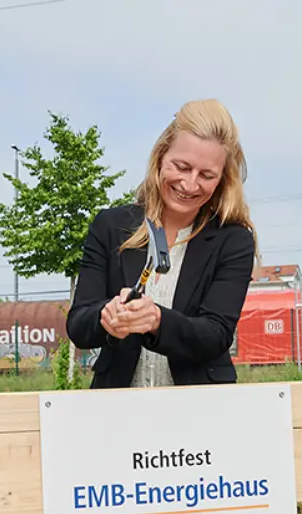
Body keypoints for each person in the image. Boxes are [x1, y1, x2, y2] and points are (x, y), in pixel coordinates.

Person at [65, 98, 257, 388]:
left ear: (222, 180)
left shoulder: (234, 240)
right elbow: (78, 325)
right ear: (160, 157)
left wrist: (157, 320)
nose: (190, 185)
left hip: (201, 411)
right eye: (181, 167)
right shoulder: (109, 227)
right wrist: (105, 316)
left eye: (206, 175)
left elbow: (216, 334)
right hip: (117, 409)